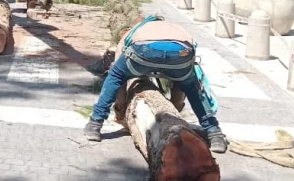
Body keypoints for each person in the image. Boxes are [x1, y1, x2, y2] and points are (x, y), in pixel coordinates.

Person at [84, 14, 228, 154]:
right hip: (180, 54)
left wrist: (120, 107)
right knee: (189, 85)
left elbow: (118, 67)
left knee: (116, 75)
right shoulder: (174, 27)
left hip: (144, 50)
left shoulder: (136, 29)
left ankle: (95, 124)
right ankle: (214, 133)